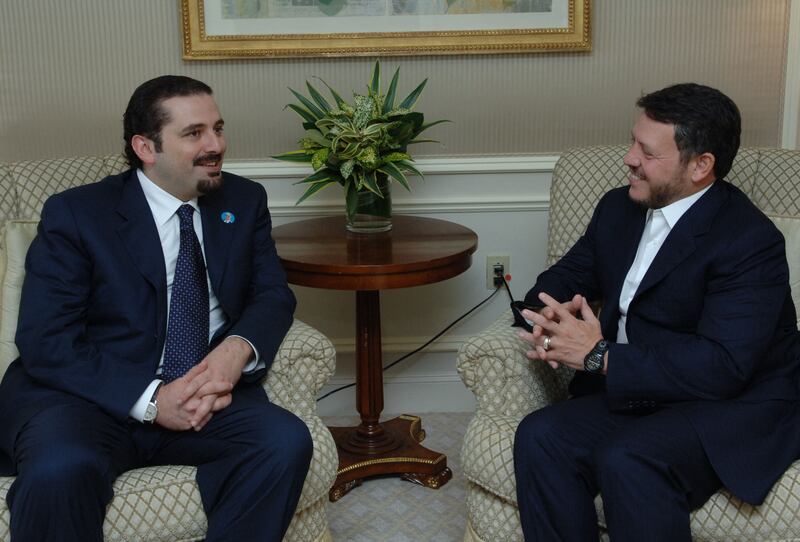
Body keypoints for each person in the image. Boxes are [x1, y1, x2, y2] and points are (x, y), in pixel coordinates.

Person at [0, 75, 312, 541]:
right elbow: (46, 339)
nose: (216, 145)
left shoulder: (243, 201)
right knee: (59, 471)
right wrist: (151, 401)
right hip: (90, 398)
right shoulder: (77, 214)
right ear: (146, 147)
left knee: (283, 442)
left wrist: (236, 351)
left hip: (203, 393)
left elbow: (273, 294)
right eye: (194, 133)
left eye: (218, 128)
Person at [513, 83, 800, 541]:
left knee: (628, 458)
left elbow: (724, 366)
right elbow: (559, 281)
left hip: (725, 404)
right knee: (541, 435)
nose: (629, 159)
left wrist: (600, 356)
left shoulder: (748, 241)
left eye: (647, 152)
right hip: (641, 389)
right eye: (632, 142)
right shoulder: (618, 208)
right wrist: (549, 319)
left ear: (701, 165)